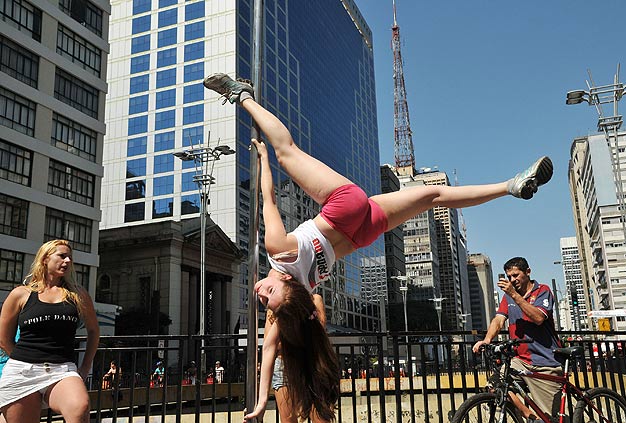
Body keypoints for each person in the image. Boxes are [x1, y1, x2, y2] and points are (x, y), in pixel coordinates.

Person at [204, 73, 553, 422]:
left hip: (362, 234)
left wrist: (263, 397)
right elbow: (268, 200)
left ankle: (511, 185)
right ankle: (242, 96)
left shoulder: (302, 293)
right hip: (346, 209)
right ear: (287, 287)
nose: (260, 292)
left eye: (263, 299)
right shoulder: (279, 251)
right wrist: (266, 161)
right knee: (286, 152)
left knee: (434, 197)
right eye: (269, 295)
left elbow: (268, 348)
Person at [0, 239, 99, 423]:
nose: (68, 261)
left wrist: (85, 368)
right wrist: (25, 359)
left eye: (70, 257)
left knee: (80, 408)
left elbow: (93, 331)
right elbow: (3, 338)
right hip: (23, 372)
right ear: (45, 259)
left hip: (62, 370)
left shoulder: (78, 294)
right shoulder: (21, 294)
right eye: (62, 256)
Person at [472, 257, 562, 423]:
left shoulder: (542, 291)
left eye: (515, 275)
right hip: (520, 360)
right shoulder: (508, 298)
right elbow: (499, 320)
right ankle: (528, 415)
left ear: (527, 272)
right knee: (495, 385)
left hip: (545, 363)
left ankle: (539, 419)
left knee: (548, 419)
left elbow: (538, 318)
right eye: (509, 277)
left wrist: (513, 294)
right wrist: (487, 340)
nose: (512, 280)